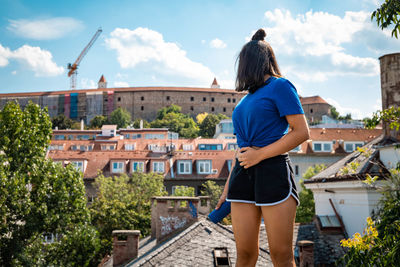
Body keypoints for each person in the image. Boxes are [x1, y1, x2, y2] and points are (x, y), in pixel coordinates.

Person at [216, 29, 310, 267]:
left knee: (281, 256)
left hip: (272, 171)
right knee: (245, 255)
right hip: (242, 176)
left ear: (251, 62)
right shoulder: (246, 98)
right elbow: (242, 148)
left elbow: (301, 132)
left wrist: (259, 155)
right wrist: (228, 186)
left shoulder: (281, 86)